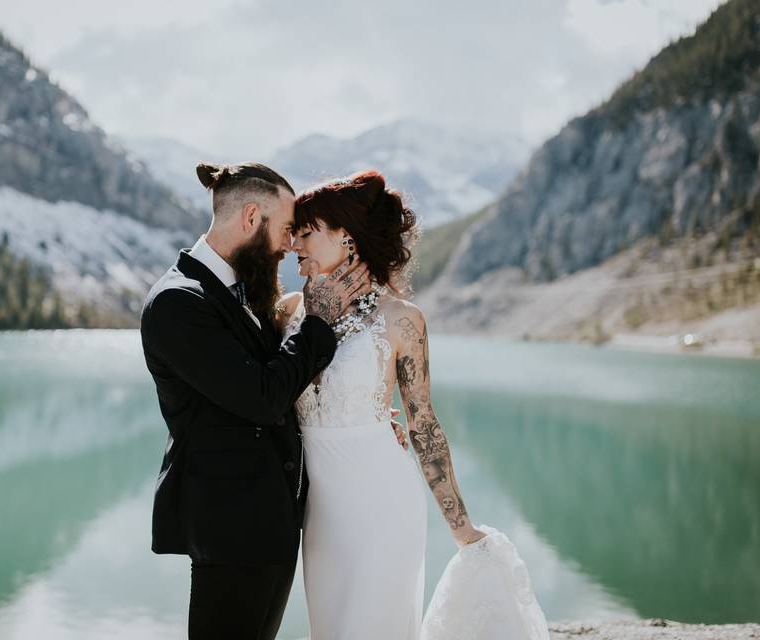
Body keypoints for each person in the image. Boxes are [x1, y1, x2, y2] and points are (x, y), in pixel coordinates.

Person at [278, 170, 550, 640]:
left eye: (306, 233)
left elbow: (423, 424)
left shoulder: (402, 321)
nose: (293, 245)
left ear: (346, 238)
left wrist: (459, 525)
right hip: (320, 514)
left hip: (385, 503)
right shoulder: (287, 312)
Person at [139, 162, 406, 640]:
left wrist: (359, 414)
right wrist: (318, 321)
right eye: (285, 230)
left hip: (274, 521)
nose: (289, 245)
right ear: (250, 218)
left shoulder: (244, 290)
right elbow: (262, 398)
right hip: (229, 525)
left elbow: (278, 384)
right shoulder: (179, 302)